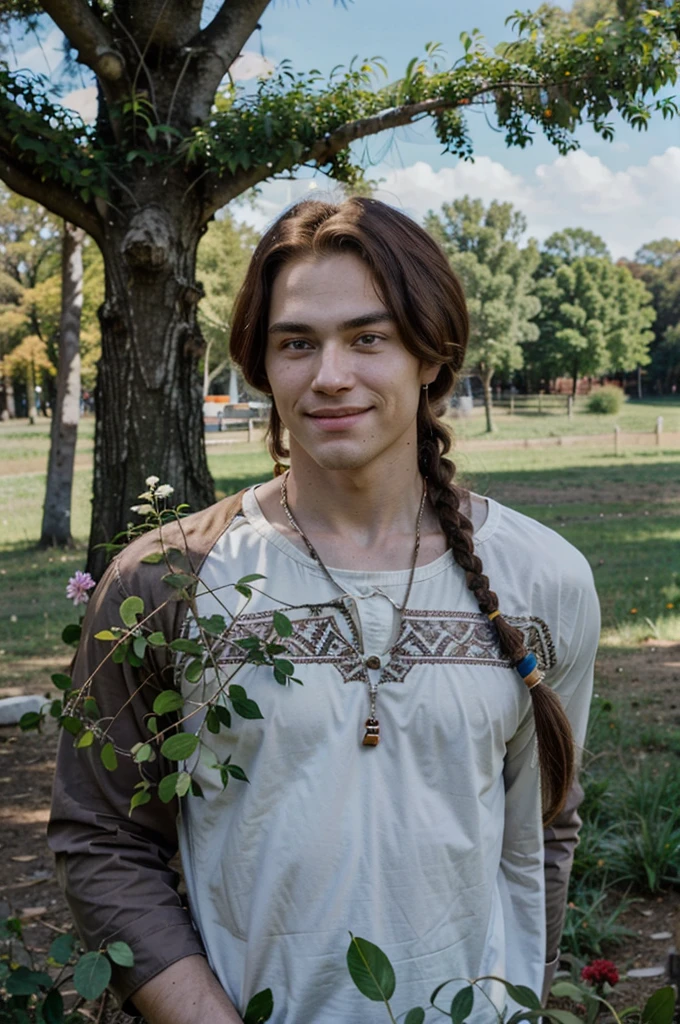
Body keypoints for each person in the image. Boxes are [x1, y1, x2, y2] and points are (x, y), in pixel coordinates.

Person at [49, 197, 599, 1024]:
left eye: (368, 338)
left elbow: (542, 829)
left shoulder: (545, 580)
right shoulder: (168, 582)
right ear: (261, 365)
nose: (330, 374)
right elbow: (102, 838)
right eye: (297, 343)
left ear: (432, 356)